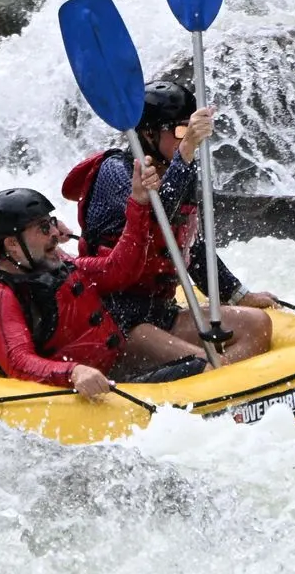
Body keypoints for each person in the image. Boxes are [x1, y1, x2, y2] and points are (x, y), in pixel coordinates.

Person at [61, 80, 275, 366]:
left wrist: (238, 294)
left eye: (190, 128)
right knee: (206, 361)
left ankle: (224, 385)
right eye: (179, 130)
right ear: (148, 134)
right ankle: (213, 378)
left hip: (162, 313)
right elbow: (156, 219)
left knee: (258, 324)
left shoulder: (179, 168)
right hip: (117, 322)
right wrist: (185, 152)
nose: (188, 137)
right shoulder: (115, 173)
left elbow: (189, 246)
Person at [0, 165, 214, 396]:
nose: (56, 234)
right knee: (202, 369)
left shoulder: (57, 265)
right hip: (77, 391)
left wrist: (138, 203)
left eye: (52, 223)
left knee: (208, 362)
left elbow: (120, 270)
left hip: (113, 365)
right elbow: (18, 362)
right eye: (43, 228)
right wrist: (73, 372)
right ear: (12, 244)